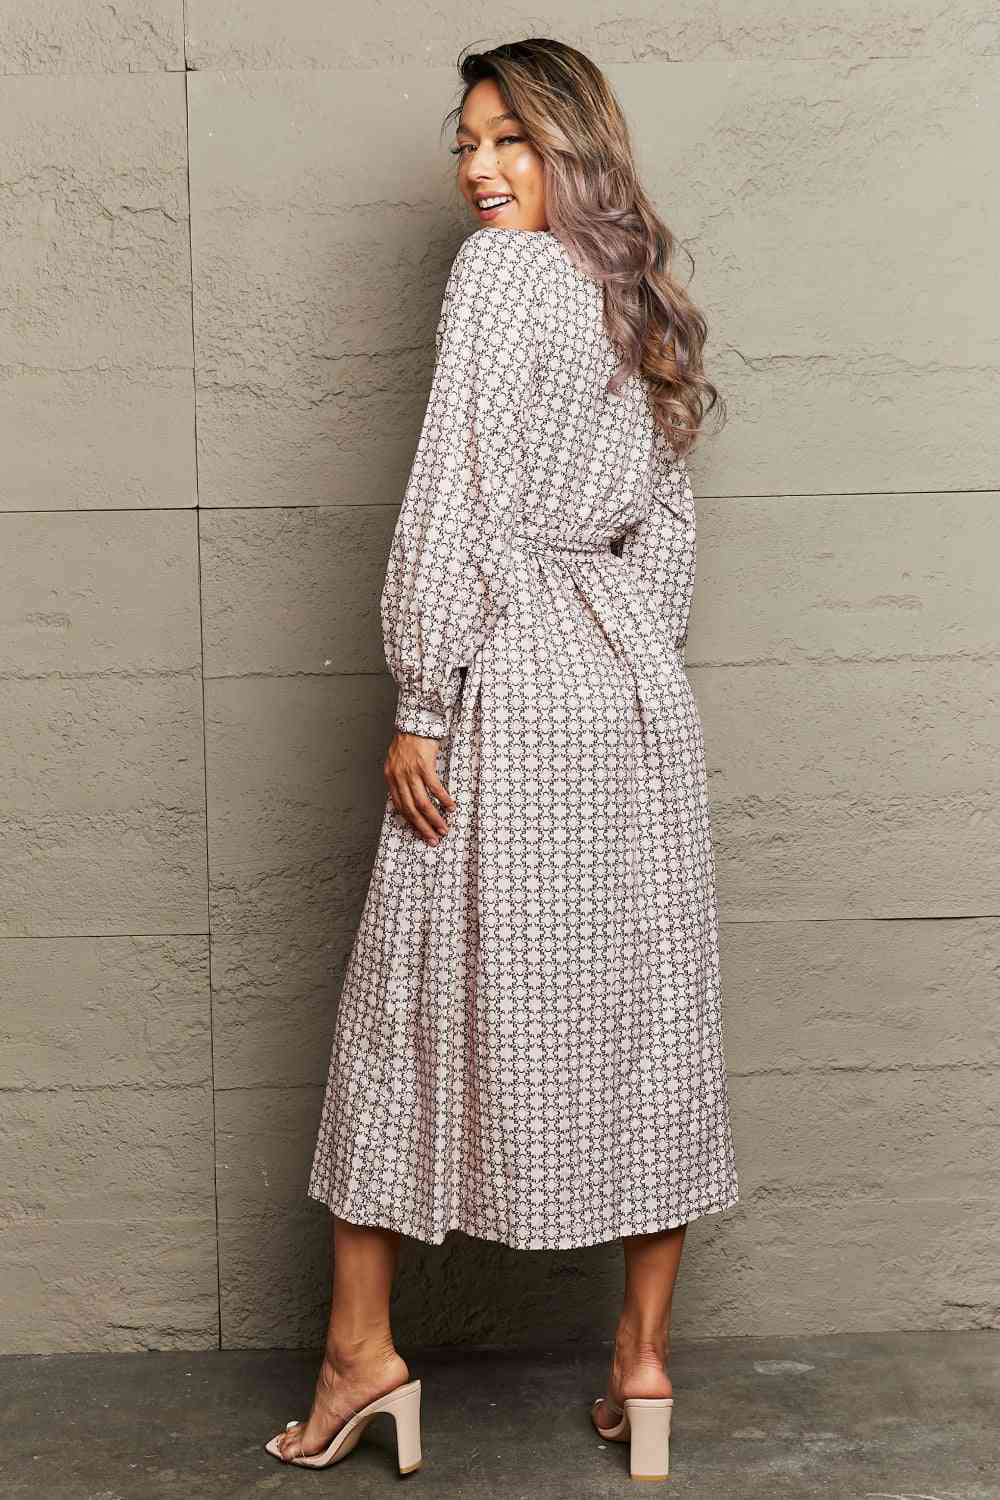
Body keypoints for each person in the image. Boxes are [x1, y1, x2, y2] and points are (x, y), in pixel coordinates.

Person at [265, 37, 739, 1483]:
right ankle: (642, 1367)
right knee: (647, 1005)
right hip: (632, 694)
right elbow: (665, 528)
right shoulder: (635, 294)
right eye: (467, 141)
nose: (480, 169)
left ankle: (361, 1356)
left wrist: (424, 693)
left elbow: (454, 493)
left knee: (407, 1005)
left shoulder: (500, 278)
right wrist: (628, 649)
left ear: (571, 147)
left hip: (508, 680)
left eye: (511, 140)